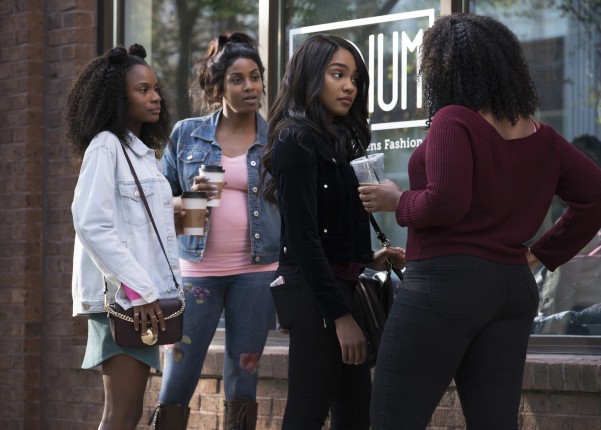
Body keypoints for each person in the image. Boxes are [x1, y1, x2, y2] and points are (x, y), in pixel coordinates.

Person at [358, 13, 601, 429]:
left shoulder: (454, 119)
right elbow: (594, 196)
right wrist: (541, 254)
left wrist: (397, 201)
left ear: (445, 68)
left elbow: (445, 204)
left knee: (391, 418)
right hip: (510, 289)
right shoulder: (543, 137)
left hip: (444, 284)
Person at [260, 34, 405, 430]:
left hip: (340, 287)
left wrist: (368, 259)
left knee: (356, 414)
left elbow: (330, 230)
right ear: (310, 77)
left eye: (354, 78)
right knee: (306, 413)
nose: (349, 87)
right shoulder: (295, 139)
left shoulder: (339, 139)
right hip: (315, 296)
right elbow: (303, 239)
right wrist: (340, 317)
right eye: (337, 74)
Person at [154, 32, 280, 430]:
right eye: (237, 79)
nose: (250, 87)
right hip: (196, 271)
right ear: (218, 87)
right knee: (179, 372)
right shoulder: (186, 134)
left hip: (258, 273)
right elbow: (156, 205)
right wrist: (189, 198)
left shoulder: (276, 140)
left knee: (244, 376)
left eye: (255, 77)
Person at [67, 44, 183, 430]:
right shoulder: (106, 146)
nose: (155, 97)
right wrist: (140, 290)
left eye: (155, 88)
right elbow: (90, 222)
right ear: (118, 96)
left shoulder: (140, 152)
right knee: (119, 415)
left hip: (140, 301)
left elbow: (137, 228)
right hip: (126, 301)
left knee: (128, 414)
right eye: (142, 90)